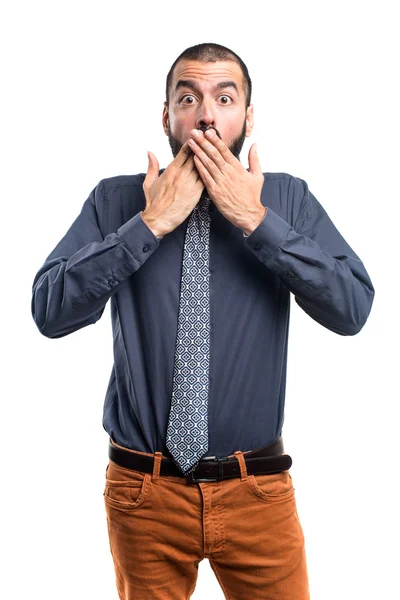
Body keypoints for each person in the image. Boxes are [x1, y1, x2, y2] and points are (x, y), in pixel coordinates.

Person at [31, 42, 375, 599]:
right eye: (188, 98)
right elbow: (49, 311)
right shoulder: (116, 200)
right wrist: (148, 224)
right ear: (167, 116)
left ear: (248, 116)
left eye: (225, 97)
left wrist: (259, 222)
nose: (207, 113)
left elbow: (352, 308)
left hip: (258, 492)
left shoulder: (286, 198)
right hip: (143, 495)